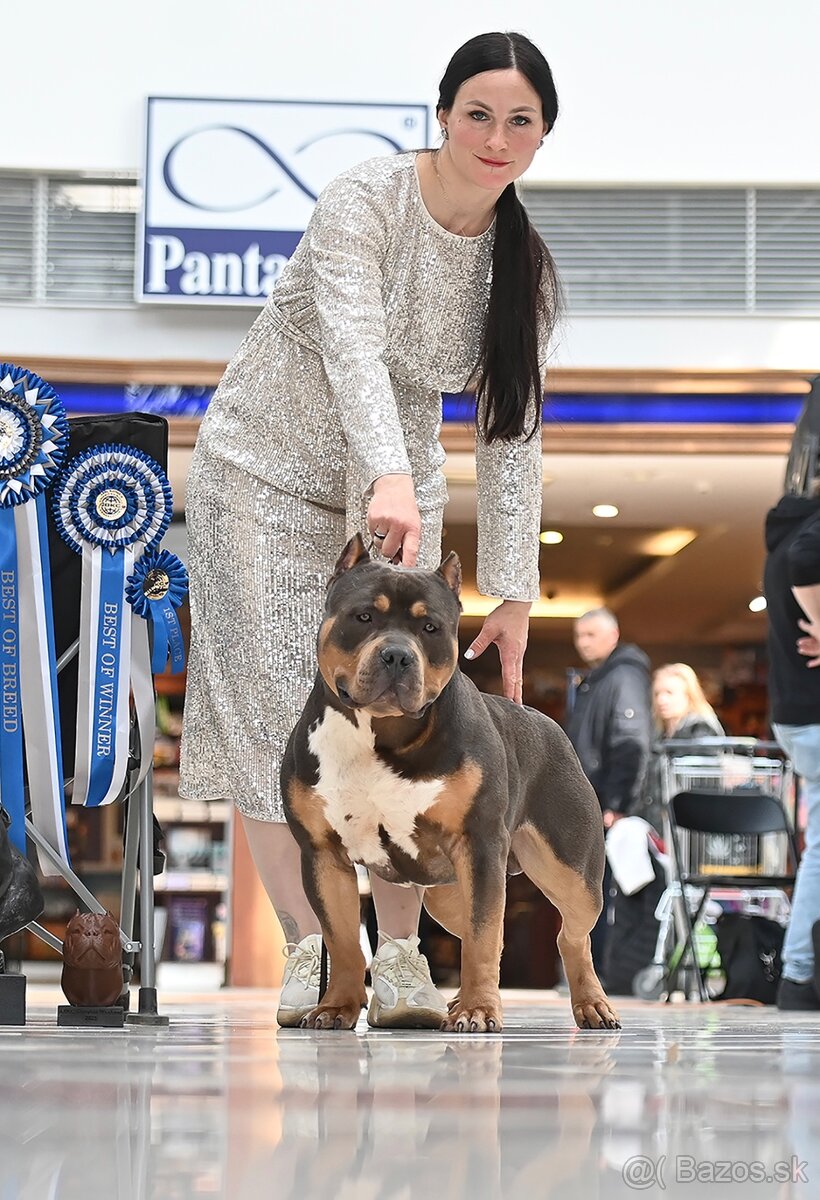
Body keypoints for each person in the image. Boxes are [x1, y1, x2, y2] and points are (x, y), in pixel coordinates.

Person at [179, 31, 561, 1027]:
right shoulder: (366, 202)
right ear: (442, 115)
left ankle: (399, 960)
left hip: (396, 485)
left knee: (400, 722)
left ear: (541, 136)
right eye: (477, 112)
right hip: (259, 475)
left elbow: (513, 435)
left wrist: (513, 594)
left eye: (519, 119)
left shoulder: (522, 268)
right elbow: (351, 347)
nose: (495, 135)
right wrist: (386, 472)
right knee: (277, 713)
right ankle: (315, 955)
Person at [566, 608, 652, 973]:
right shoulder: (599, 679)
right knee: (585, 887)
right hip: (593, 801)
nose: (584, 643)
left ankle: (600, 969)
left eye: (591, 635)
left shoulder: (623, 677)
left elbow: (630, 741)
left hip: (606, 806)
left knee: (596, 890)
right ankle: (592, 967)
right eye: (579, 636)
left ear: (613, 635)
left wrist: (616, 803)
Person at [764, 483, 820, 1010]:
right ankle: (801, 973)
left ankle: (800, 974)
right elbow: (810, 557)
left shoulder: (788, 528)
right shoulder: (806, 535)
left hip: (796, 712)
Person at [636, 663, 725, 833]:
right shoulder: (659, 733)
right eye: (657, 693)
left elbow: (703, 786)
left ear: (689, 695)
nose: (661, 700)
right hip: (658, 827)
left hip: (689, 830)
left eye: (669, 693)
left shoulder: (701, 730)